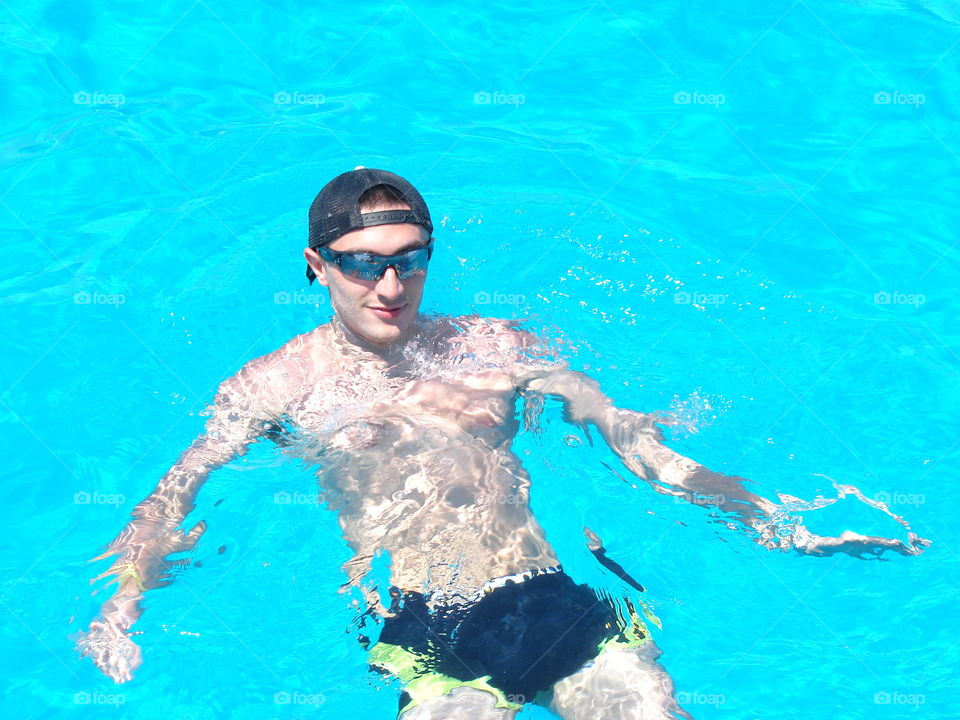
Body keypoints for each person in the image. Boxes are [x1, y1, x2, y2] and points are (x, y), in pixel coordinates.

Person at [76, 168, 929, 719]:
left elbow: (621, 432)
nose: (390, 283)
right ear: (316, 264)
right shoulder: (273, 387)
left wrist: (762, 514)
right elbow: (176, 491)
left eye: (411, 258)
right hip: (423, 623)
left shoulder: (495, 348)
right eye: (363, 262)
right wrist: (121, 605)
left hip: (556, 598)